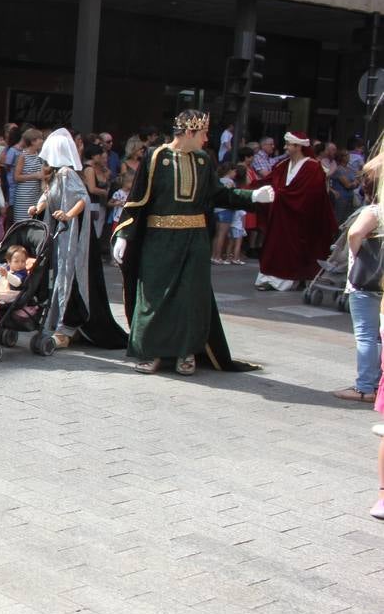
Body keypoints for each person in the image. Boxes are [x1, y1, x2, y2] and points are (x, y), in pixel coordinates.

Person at [113, 110, 274, 375]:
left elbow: (219, 194)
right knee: (154, 296)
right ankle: (151, 352)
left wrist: (252, 197)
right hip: (159, 239)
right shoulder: (156, 157)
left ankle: (185, 353)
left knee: (191, 299)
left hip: (195, 240)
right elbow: (137, 197)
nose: (206, 138)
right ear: (189, 132)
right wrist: (124, 234)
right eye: (203, 133)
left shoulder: (202, 160)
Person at [28, 128, 91, 348]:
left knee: (67, 277)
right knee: (58, 276)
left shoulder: (66, 173)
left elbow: (83, 198)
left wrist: (68, 214)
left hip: (70, 237)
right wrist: (37, 206)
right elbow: (48, 196)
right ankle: (58, 322)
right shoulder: (56, 175)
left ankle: (66, 328)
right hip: (61, 237)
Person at [255, 132, 338, 292]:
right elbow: (268, 182)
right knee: (273, 247)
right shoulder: (282, 165)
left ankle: (288, 280)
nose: (285, 147)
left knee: (295, 250)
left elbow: (313, 193)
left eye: (288, 144)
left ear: (298, 146)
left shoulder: (313, 167)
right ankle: (269, 278)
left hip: (300, 219)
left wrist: (284, 196)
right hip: (280, 216)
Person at [335, 201, 382, 403]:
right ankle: (377, 384)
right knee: (379, 336)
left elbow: (354, 234)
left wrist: (358, 255)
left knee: (366, 336)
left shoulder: (375, 211)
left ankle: (365, 387)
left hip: (367, 280)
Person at [11, 128, 46, 223]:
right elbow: (16, 177)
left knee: (33, 221)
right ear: (32, 141)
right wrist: (35, 176)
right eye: (39, 139)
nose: (42, 141)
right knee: (21, 222)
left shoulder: (39, 156)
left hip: (36, 195)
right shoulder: (22, 156)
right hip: (24, 196)